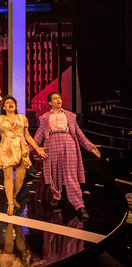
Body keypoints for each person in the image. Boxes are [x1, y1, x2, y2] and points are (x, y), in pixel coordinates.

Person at [33, 91, 100, 220]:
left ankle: (79, 205)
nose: (58, 100)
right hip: (52, 143)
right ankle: (56, 196)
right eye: (55, 99)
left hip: (68, 143)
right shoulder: (45, 118)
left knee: (70, 175)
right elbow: (38, 135)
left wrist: (90, 146)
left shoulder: (70, 116)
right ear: (50, 102)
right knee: (55, 172)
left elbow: (79, 134)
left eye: (59, 98)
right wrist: (28, 149)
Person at [0, 96, 46, 216]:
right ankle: (10, 203)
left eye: (13, 102)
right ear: (4, 106)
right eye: (8, 102)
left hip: (21, 148)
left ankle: (13, 197)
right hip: (6, 148)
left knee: (20, 178)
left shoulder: (22, 118)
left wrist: (37, 148)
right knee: (8, 177)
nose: (11, 103)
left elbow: (28, 136)